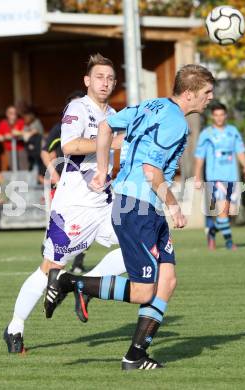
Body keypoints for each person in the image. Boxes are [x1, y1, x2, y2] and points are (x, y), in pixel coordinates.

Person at [44, 64, 215, 370]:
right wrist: (174, 205)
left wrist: (102, 168)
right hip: (138, 207)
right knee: (143, 291)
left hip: (140, 204)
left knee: (167, 280)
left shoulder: (152, 105)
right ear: (189, 94)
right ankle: (72, 282)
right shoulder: (176, 122)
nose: (210, 98)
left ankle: (135, 356)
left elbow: (108, 125)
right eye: (207, 93)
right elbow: (151, 171)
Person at [3, 53, 126, 354]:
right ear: (87, 81)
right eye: (99, 77)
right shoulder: (78, 108)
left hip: (103, 201)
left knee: (140, 245)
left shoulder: (113, 112)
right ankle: (15, 326)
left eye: (110, 78)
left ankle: (83, 286)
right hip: (73, 204)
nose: (105, 82)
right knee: (51, 267)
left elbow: (114, 153)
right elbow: (70, 146)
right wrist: (111, 142)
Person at [194, 102, 245, 250]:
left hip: (232, 177)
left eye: (222, 114)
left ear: (225, 115)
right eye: (216, 115)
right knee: (223, 211)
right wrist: (197, 175)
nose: (219, 118)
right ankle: (229, 242)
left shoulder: (233, 131)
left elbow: (240, 150)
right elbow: (200, 156)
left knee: (230, 213)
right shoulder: (206, 134)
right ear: (212, 117)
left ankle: (212, 233)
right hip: (215, 177)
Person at [41, 90, 86, 273]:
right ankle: (52, 255)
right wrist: (54, 174)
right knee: (61, 223)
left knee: (83, 224)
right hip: (63, 184)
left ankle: (77, 262)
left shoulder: (95, 127)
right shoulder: (60, 128)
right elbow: (45, 151)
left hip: (86, 185)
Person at [0, 106, 27, 171]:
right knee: (12, 169)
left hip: (20, 149)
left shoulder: (21, 122)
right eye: (11, 113)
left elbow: (24, 132)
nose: (13, 115)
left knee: (24, 169)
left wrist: (11, 135)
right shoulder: (3, 123)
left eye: (15, 113)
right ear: (7, 114)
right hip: (9, 151)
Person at [22, 108, 45, 177]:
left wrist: (28, 134)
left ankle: (41, 178)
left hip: (39, 147)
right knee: (32, 163)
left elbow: (36, 131)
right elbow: (23, 132)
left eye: (26, 117)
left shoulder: (36, 122)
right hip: (31, 149)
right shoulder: (26, 125)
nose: (25, 118)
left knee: (40, 163)